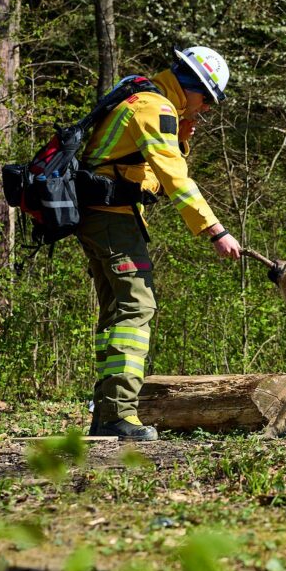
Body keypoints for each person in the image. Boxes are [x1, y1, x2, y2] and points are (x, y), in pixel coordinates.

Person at [79, 45, 242, 440]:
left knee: (117, 312)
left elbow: (144, 178)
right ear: (190, 86)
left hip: (102, 217)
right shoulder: (155, 107)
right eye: (206, 100)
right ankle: (118, 415)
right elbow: (175, 179)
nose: (205, 110)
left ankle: (106, 414)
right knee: (137, 307)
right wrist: (215, 230)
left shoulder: (146, 100)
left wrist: (182, 139)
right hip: (111, 220)